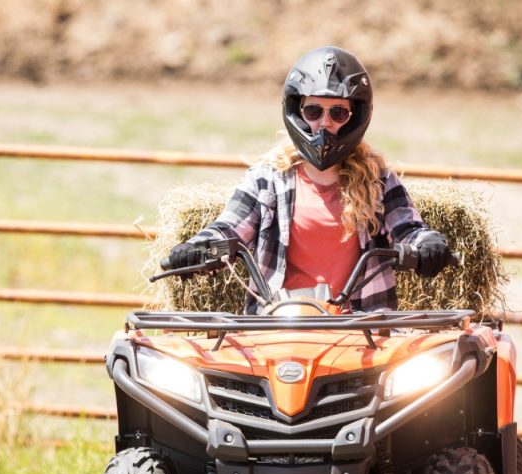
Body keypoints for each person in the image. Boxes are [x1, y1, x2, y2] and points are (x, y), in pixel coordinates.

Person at [166, 46, 451, 313]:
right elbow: (229, 228)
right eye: (313, 111)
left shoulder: (378, 181)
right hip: (278, 327)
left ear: (354, 117)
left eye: (338, 112)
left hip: (362, 332)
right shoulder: (268, 180)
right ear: (298, 112)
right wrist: (196, 248)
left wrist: (429, 243)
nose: (324, 123)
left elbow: (409, 228)